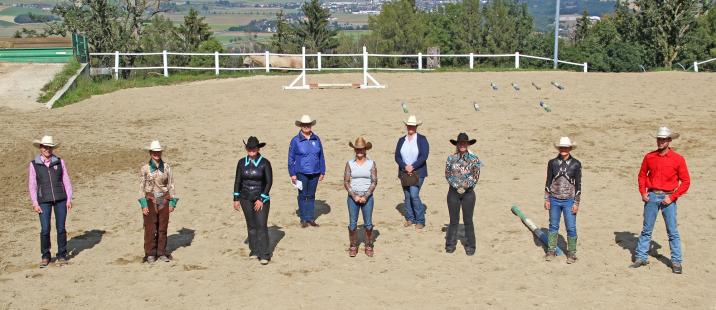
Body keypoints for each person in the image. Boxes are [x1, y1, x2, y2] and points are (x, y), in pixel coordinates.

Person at [631, 127, 690, 274]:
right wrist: (643, 192)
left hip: (668, 197)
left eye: (663, 139)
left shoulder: (678, 159)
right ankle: (641, 256)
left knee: (672, 231)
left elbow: (686, 181)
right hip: (652, 196)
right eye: (659, 139)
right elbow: (642, 175)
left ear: (669, 141)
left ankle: (676, 261)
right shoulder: (649, 157)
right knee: (647, 229)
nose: (660, 141)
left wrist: (672, 197)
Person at [28, 135, 73, 268]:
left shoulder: (59, 162)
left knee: (61, 228)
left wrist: (69, 198)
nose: (47, 149)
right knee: (45, 229)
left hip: (61, 199)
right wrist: (35, 203)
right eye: (45, 147)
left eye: (49, 147)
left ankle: (62, 254)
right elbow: (32, 185)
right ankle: (46, 255)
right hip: (43, 201)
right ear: (40, 148)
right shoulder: (34, 164)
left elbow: (66, 181)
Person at [233, 137, 274, 265]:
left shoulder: (265, 163)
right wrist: (236, 198)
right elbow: (238, 181)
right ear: (246, 149)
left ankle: (265, 254)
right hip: (245, 198)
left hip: (261, 199)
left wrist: (261, 198)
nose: (252, 150)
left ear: (258, 148)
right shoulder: (241, 163)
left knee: (261, 225)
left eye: (254, 148)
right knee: (251, 226)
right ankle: (254, 250)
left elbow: (269, 182)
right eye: (249, 148)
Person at [138, 140, 178, 264]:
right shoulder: (144, 169)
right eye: (154, 152)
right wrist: (143, 204)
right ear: (150, 153)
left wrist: (172, 202)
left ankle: (161, 252)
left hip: (164, 199)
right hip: (150, 199)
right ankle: (150, 253)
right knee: (150, 228)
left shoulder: (167, 167)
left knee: (162, 227)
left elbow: (171, 184)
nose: (157, 154)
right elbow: (141, 188)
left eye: (158, 152)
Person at [544, 137, 582, 264]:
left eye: (565, 147)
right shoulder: (552, 163)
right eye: (561, 147)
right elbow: (548, 181)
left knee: (571, 227)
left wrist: (576, 202)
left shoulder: (576, 164)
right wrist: (546, 198)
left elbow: (578, 185)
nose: (563, 150)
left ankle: (572, 253)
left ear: (570, 149)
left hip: (569, 200)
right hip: (554, 199)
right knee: (553, 225)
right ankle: (551, 250)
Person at [444, 133, 481, 255]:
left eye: (464, 143)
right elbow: (448, 174)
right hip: (453, 192)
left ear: (468, 144)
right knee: (453, 220)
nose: (462, 145)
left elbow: (476, 176)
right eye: (460, 143)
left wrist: (465, 186)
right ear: (457, 144)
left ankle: (471, 246)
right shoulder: (451, 158)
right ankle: (450, 245)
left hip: (468, 193)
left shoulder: (474, 159)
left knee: (468, 220)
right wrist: (456, 186)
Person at [288, 115, 326, 228]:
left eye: (308, 124)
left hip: (315, 172)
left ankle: (310, 218)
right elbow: (291, 158)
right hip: (301, 172)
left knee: (311, 195)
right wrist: (292, 174)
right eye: (304, 125)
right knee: (302, 195)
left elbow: (321, 156)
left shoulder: (316, 139)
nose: (306, 126)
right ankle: (304, 218)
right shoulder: (295, 140)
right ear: (300, 126)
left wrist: (322, 171)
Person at [343, 137, 378, 257]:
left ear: (365, 150)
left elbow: (374, 181)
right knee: (352, 223)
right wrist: (354, 196)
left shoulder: (371, 163)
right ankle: (353, 245)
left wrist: (366, 196)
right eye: (357, 149)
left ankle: (368, 245)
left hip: (367, 197)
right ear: (354, 150)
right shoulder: (349, 164)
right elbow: (346, 181)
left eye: (361, 149)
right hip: (353, 197)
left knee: (368, 223)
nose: (359, 151)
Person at [394, 115, 430, 229]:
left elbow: (424, 156)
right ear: (406, 126)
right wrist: (405, 166)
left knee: (414, 194)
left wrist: (413, 166)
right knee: (407, 195)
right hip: (404, 172)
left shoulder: (422, 139)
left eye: (413, 126)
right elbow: (397, 156)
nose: (411, 127)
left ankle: (420, 220)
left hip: (418, 172)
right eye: (409, 125)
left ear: (416, 127)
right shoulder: (401, 140)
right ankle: (410, 218)